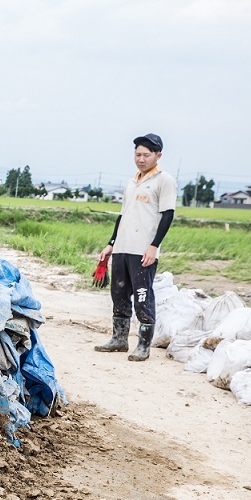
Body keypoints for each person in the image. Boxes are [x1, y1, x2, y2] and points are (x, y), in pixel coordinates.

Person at [93, 133, 177, 361]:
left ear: (158, 155)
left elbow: (168, 215)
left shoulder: (164, 180)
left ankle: (143, 345)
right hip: (122, 247)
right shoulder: (133, 181)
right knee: (118, 293)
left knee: (142, 296)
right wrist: (111, 243)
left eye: (146, 155)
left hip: (143, 250)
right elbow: (122, 216)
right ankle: (119, 339)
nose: (141, 159)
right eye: (137, 154)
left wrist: (153, 246)